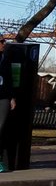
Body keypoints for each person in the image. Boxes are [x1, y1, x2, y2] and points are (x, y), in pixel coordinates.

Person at [0, 36, 15, 173]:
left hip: (3, 97)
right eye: (1, 42)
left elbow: (9, 80)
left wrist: (12, 98)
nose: (3, 44)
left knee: (1, 127)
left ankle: (2, 162)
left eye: (4, 41)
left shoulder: (5, 59)